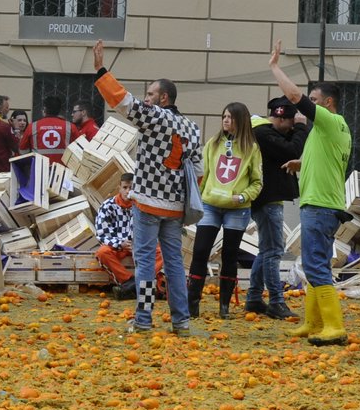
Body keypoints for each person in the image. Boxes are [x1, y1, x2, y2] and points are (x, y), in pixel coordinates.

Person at [91, 40, 202, 335]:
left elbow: (123, 101)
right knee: (175, 263)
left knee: (143, 262)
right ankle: (181, 320)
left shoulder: (156, 117)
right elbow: (199, 171)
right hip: (176, 207)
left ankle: (144, 317)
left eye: (151, 94)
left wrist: (101, 71)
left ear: (164, 97)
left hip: (148, 203)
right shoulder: (193, 128)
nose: (147, 98)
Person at [269, 42, 352, 346]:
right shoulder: (335, 129)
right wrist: (301, 162)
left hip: (319, 205)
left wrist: (275, 67)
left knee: (316, 265)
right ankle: (313, 322)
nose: (308, 106)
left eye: (315, 100)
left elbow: (294, 97)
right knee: (315, 261)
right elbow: (328, 159)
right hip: (324, 204)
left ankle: (334, 326)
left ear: (328, 103)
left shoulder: (329, 121)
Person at [188, 102, 263, 319]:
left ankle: (224, 307)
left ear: (240, 120)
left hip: (237, 209)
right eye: (224, 116)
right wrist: (195, 203)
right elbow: (203, 175)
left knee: (230, 256)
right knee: (200, 251)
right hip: (210, 205)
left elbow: (257, 183)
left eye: (230, 117)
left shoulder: (251, 149)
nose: (226, 120)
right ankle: (193, 304)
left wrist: (242, 197)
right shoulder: (213, 144)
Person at [247, 97, 306, 319]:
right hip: (267, 199)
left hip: (270, 198)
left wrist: (296, 128)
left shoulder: (266, 133)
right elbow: (291, 150)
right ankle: (276, 301)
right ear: (281, 117)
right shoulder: (263, 134)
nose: (293, 125)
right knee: (273, 251)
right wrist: (301, 128)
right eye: (291, 121)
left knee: (266, 250)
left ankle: (253, 298)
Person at [93, 172, 163, 300]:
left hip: (139, 246)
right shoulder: (107, 206)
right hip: (118, 246)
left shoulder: (143, 207)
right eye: (125, 187)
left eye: (131, 188)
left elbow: (152, 230)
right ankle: (129, 281)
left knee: (162, 252)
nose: (127, 191)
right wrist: (120, 243)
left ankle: (135, 285)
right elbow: (101, 234)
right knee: (102, 253)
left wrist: (139, 243)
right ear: (119, 187)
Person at [22, 94, 73, 163]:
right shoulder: (70, 127)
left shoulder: (33, 126)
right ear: (59, 110)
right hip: (62, 170)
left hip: (39, 169)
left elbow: (22, 151)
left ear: (45, 109)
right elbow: (80, 150)